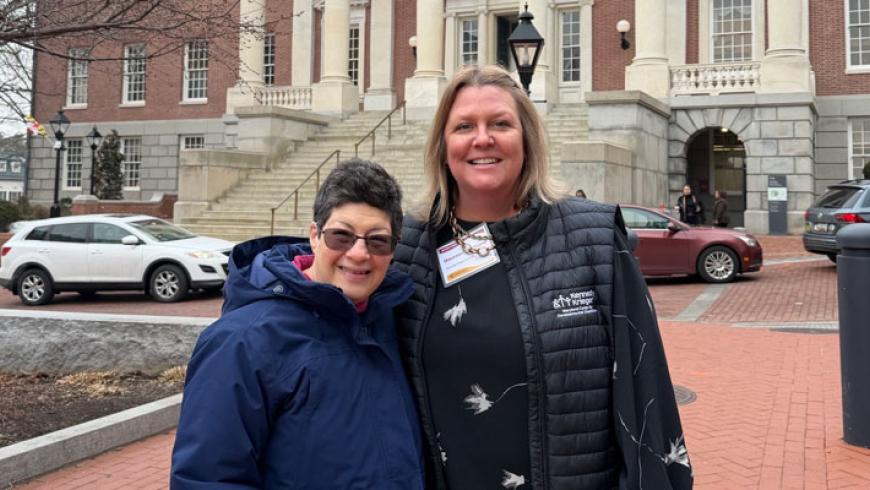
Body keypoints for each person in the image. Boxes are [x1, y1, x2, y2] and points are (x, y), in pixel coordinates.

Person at [392, 65, 691, 490]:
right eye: (463, 126)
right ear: (443, 146)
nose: (482, 138)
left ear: (527, 140)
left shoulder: (595, 240)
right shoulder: (408, 248)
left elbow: (645, 395)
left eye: (500, 123)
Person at [170, 159, 424, 489]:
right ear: (314, 236)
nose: (360, 253)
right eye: (341, 236)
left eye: (377, 241)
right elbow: (206, 478)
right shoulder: (242, 341)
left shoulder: (389, 319)